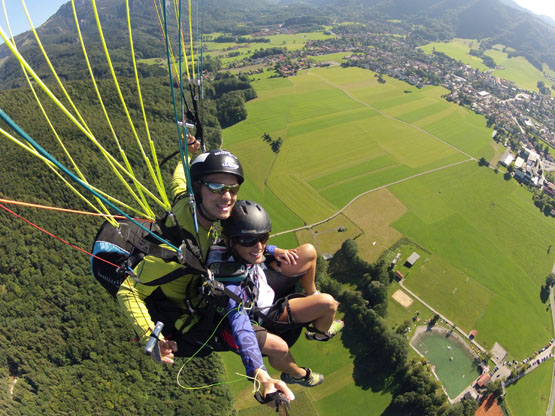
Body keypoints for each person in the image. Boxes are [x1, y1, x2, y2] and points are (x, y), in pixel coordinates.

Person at [117, 149, 293, 401]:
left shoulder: (189, 202)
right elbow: (130, 289)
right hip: (191, 314)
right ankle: (288, 371)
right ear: (199, 187)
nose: (227, 196)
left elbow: (178, 180)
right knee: (257, 329)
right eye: (217, 187)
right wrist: (150, 335)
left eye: (233, 189)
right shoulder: (177, 248)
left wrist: (189, 154)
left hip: (200, 283)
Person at [208, 200, 344, 388]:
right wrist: (260, 374)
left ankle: (313, 297)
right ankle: (299, 372)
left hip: (260, 282)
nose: (258, 247)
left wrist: (273, 250)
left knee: (308, 252)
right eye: (249, 241)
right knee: (328, 305)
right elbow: (240, 323)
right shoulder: (229, 283)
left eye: (263, 238)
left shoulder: (227, 245)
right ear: (232, 241)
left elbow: (255, 246)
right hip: (263, 313)